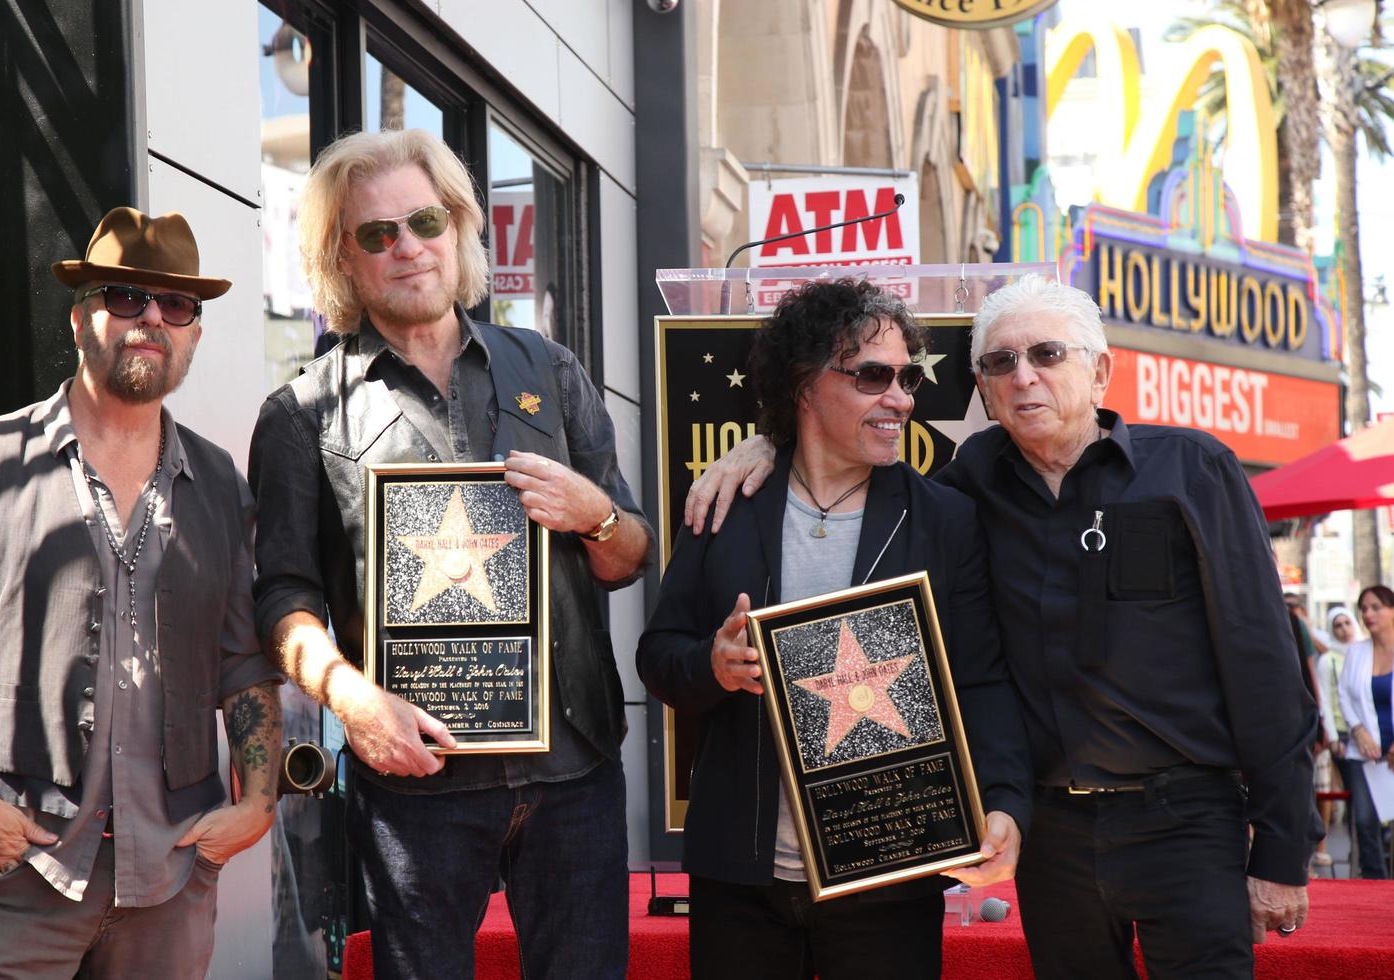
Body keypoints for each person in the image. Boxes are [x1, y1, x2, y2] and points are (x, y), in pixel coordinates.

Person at [685, 274, 1319, 978]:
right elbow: (833, 451)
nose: (1023, 378)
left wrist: (1284, 850)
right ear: (983, 388)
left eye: (1048, 355)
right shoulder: (966, 488)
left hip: (1186, 820)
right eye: (999, 363)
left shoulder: (1192, 470)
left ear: (1100, 370)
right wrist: (766, 448)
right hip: (1052, 838)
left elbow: (1264, 666)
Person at [249, 128, 654, 978]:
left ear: (459, 228)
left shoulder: (548, 367)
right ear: (343, 259)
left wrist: (597, 516)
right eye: (376, 233)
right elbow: (284, 598)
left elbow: (631, 556)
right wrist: (351, 700)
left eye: (424, 221)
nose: (407, 247)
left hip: (573, 769)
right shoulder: (302, 415)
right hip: (414, 784)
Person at [637, 279, 1032, 980]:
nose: (902, 399)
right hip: (741, 878)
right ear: (804, 385)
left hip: (890, 871)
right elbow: (658, 658)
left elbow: (981, 680)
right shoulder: (727, 503)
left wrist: (1002, 801)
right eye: (873, 376)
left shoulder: (944, 519)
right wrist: (713, 665)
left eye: (908, 378)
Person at [0, 207, 283, 977]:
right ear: (83, 316)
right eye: (127, 297)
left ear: (192, 331)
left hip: (172, 878)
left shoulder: (221, 485)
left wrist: (257, 801)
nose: (152, 317)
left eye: (177, 305)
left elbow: (243, 662)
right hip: (20, 875)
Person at [1338, 585, 1394, 879]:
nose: (1368, 614)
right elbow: (1344, 694)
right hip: (1364, 753)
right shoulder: (1357, 652)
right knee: (1365, 822)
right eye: (1364, 608)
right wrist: (1358, 732)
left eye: (1376, 607)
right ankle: (1374, 884)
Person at [1313, 605, 1357, 871]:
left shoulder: (1366, 653)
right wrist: (1330, 734)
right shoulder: (1327, 659)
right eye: (1337, 625)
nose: (1343, 629)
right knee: (1329, 793)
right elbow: (1325, 700)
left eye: (1346, 623)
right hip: (1339, 734)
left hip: (1367, 735)